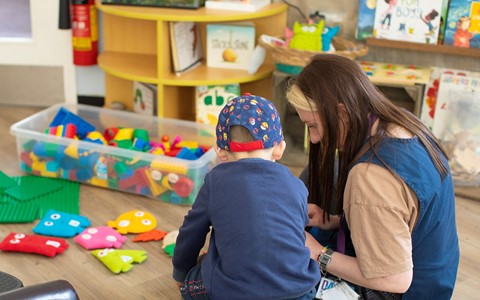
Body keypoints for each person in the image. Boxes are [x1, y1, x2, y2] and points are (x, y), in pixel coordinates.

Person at [286, 54, 459, 299]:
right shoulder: (402, 121)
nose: (313, 138)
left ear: (342, 114)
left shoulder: (370, 177)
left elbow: (395, 280)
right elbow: (400, 216)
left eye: (312, 125)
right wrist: (334, 220)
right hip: (436, 278)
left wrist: (318, 253)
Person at [172, 94, 319, 300]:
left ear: (221, 153)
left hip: (234, 292)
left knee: (193, 282)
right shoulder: (297, 185)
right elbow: (295, 230)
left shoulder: (215, 181)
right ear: (279, 148)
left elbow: (191, 232)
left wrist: (181, 272)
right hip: (298, 290)